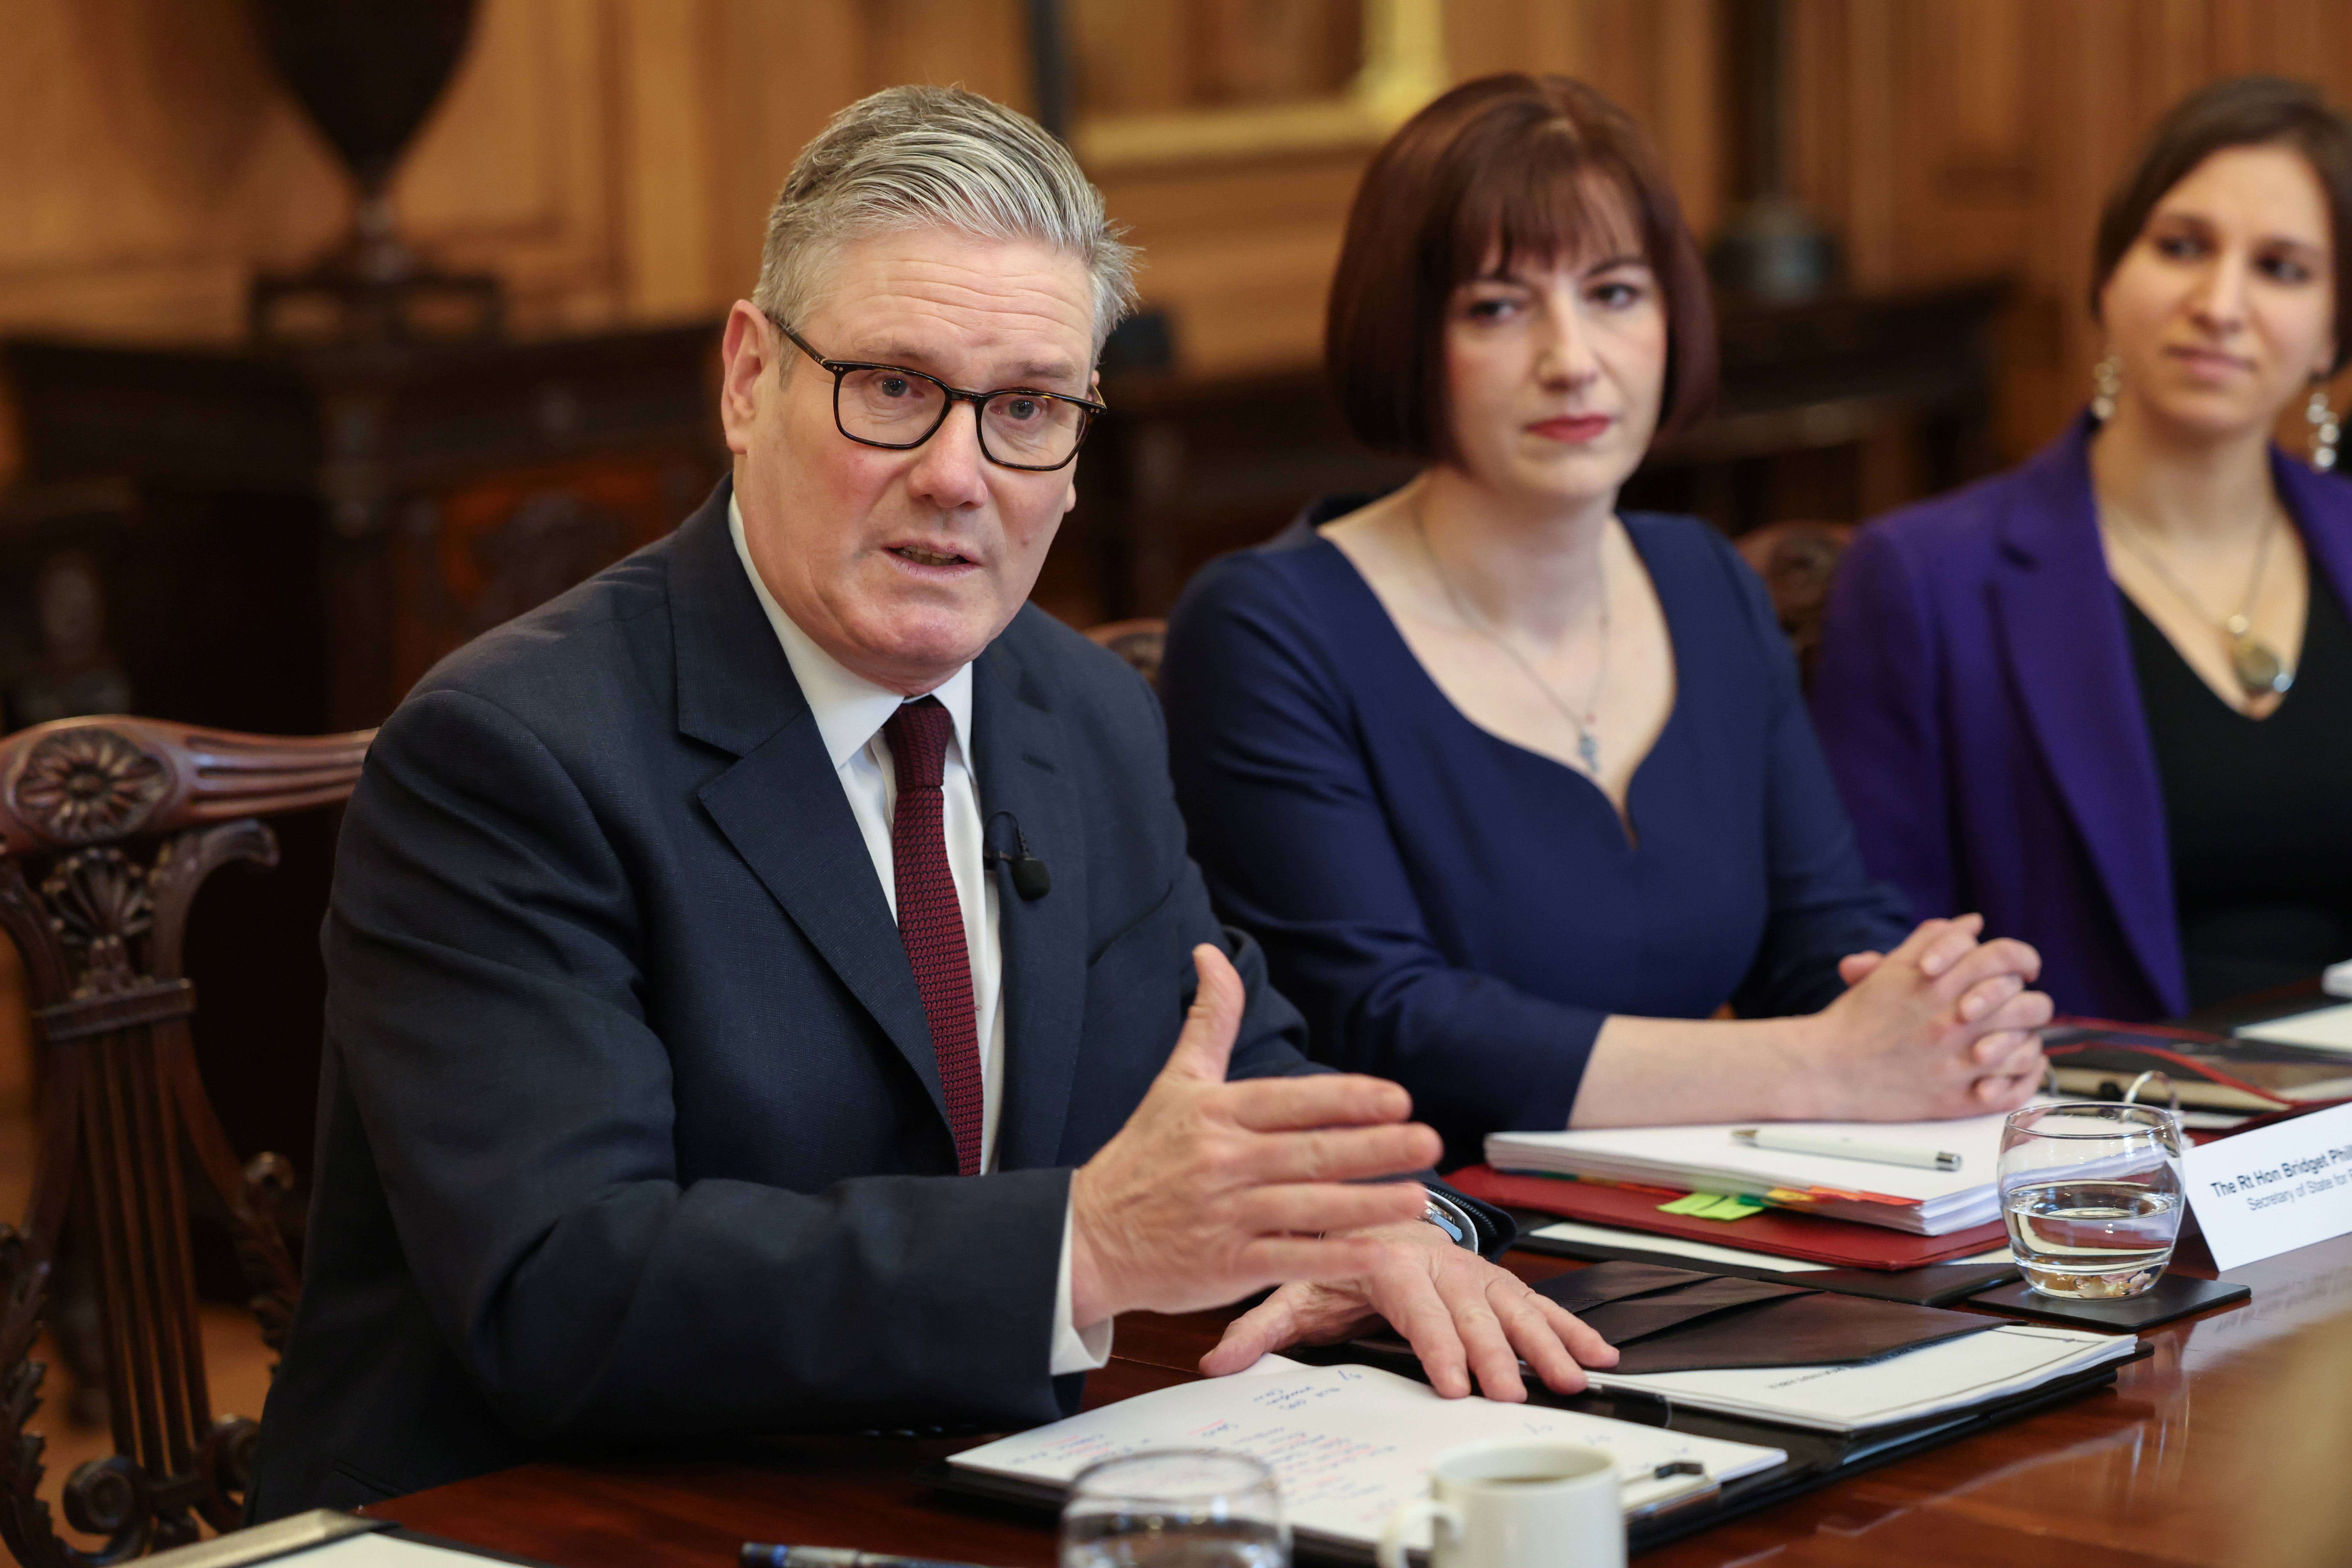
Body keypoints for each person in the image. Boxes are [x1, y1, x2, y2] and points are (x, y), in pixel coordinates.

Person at [248, 85, 1617, 1519]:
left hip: (961, 1491)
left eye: (1026, 407)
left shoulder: (1080, 712)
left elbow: (1246, 1090)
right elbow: (561, 1291)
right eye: (893, 387)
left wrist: (1395, 1230)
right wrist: (1077, 1248)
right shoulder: (507, 755)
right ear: (745, 378)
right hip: (547, 1515)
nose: (957, 476)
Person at [1156, 74, 2052, 1169]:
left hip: (1721, 1212)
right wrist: (1826, 1065)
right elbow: (1384, 1024)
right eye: (1498, 307)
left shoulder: (1704, 581)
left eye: (1616, 293)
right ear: (1408, 337)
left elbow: (1818, 932)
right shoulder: (1268, 626)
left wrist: (1944, 1019)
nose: (1572, 358)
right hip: (1438, 1246)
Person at [1813, 76, 2352, 1021]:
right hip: (2097, 1131)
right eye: (2182, 247)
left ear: (2332, 337)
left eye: (2282, 268)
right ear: (2109, 278)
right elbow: (1876, 952)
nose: (2220, 303)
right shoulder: (1927, 578)